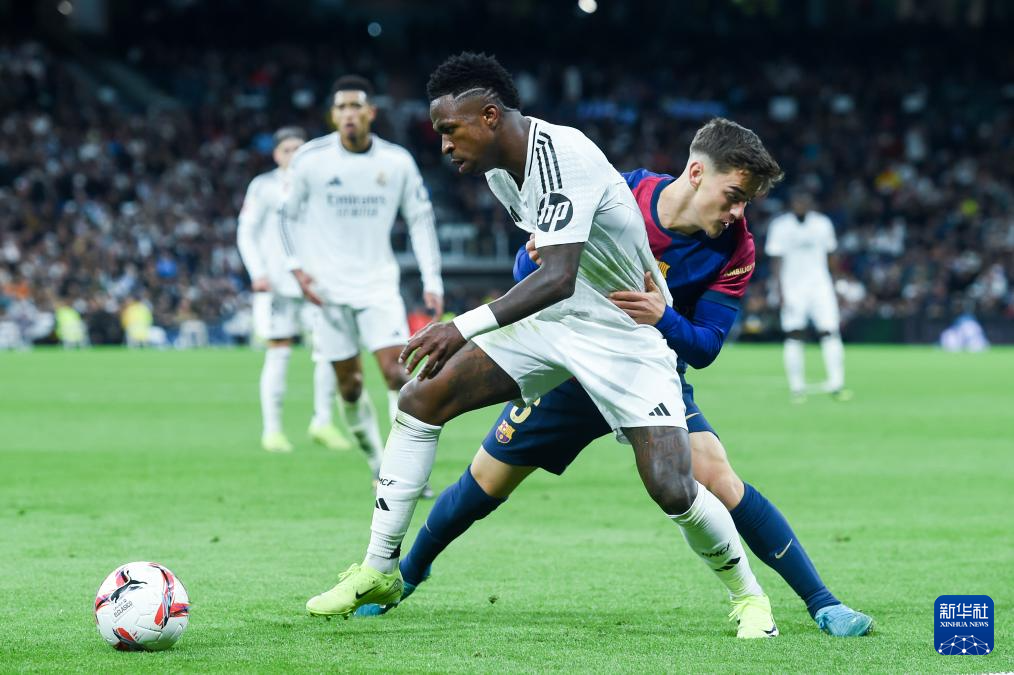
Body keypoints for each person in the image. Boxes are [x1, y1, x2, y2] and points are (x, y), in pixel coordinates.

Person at [305, 53, 776, 637]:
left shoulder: (564, 155)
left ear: (489, 116)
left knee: (672, 487)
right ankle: (379, 569)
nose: (444, 145)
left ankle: (751, 599)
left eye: (450, 130)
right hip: (555, 323)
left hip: (624, 337)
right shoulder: (500, 171)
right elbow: (544, 271)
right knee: (422, 397)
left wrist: (461, 326)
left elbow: (556, 275)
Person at [356, 120, 874, 638]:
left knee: (718, 479)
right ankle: (406, 574)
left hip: (648, 374)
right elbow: (532, 274)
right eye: (734, 196)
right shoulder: (618, 193)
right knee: (484, 484)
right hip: (569, 368)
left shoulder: (736, 247)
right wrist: (531, 256)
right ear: (697, 173)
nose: (739, 213)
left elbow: (706, 346)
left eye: (747, 202)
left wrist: (663, 317)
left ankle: (823, 603)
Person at [280, 76, 444, 480]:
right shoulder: (311, 159)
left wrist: (432, 280)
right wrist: (296, 267)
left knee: (397, 374)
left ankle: (400, 470)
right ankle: (375, 463)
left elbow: (420, 219)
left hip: (378, 285)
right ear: (333, 116)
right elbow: (286, 216)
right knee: (350, 386)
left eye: (356, 106)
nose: (349, 114)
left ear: (371, 112)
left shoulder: (396, 161)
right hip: (327, 292)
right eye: (341, 107)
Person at [237, 127, 351, 453]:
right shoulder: (263, 187)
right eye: (287, 150)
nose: (294, 155)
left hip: (317, 284)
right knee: (279, 353)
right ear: (276, 155)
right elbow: (246, 232)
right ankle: (272, 431)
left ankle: (323, 422)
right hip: (277, 284)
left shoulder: (323, 184)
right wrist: (258, 272)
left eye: (299, 149)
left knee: (329, 352)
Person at [765, 191, 850, 401]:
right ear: (791, 203)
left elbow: (831, 256)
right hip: (792, 288)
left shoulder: (822, 224)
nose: (800, 204)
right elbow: (776, 260)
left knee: (830, 331)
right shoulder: (780, 226)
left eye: (804, 201)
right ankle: (797, 386)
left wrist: (837, 285)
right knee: (794, 334)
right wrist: (778, 290)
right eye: (797, 201)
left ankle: (836, 384)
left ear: (811, 203)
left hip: (820, 286)